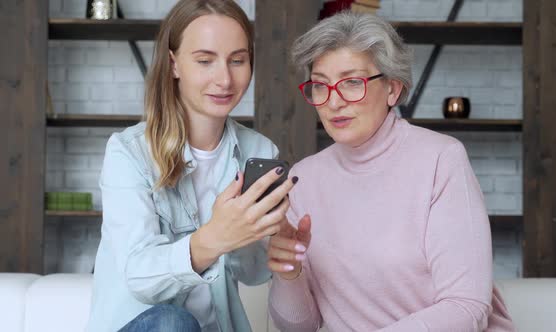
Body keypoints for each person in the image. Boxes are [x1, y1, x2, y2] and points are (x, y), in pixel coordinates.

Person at [267, 11, 516, 332]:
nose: (334, 102)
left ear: (393, 90)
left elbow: (467, 307)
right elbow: (300, 327)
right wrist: (289, 272)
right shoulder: (304, 180)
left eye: (352, 82)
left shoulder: (441, 159)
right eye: (320, 85)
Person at [87, 1, 297, 331]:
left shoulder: (259, 150)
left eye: (237, 60)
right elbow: (140, 276)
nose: (225, 79)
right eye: (205, 61)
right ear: (174, 64)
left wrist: (276, 246)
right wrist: (214, 237)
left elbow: (254, 274)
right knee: (172, 322)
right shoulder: (128, 153)